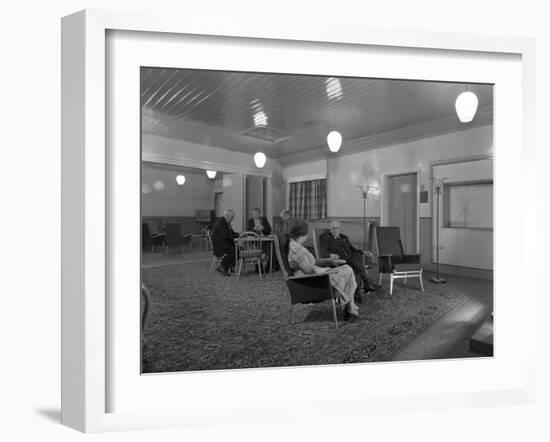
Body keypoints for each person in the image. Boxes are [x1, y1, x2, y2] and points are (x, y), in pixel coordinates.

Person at [287, 220, 360, 318]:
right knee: (347, 271)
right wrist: (327, 270)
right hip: (311, 282)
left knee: (347, 268)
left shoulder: (298, 245)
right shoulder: (296, 250)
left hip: (316, 276)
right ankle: (350, 307)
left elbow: (314, 262)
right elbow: (310, 271)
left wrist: (331, 261)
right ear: (303, 233)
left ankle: (349, 306)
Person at [319, 220, 381, 303]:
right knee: (356, 260)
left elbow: (352, 249)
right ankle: (366, 283)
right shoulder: (325, 238)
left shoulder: (344, 237)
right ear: (330, 230)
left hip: (350, 259)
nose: (335, 230)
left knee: (355, 264)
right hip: (339, 260)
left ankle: (356, 292)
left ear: (340, 229)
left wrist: (363, 251)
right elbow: (323, 251)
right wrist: (330, 255)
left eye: (337, 228)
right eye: (333, 228)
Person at [211, 209, 239, 276]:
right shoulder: (221, 223)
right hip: (220, 247)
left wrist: (240, 234)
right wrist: (239, 235)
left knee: (240, 249)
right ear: (227, 216)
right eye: (232, 217)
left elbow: (232, 233)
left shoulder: (226, 223)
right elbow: (227, 235)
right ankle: (222, 266)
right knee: (236, 250)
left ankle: (230, 266)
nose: (233, 219)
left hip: (224, 245)